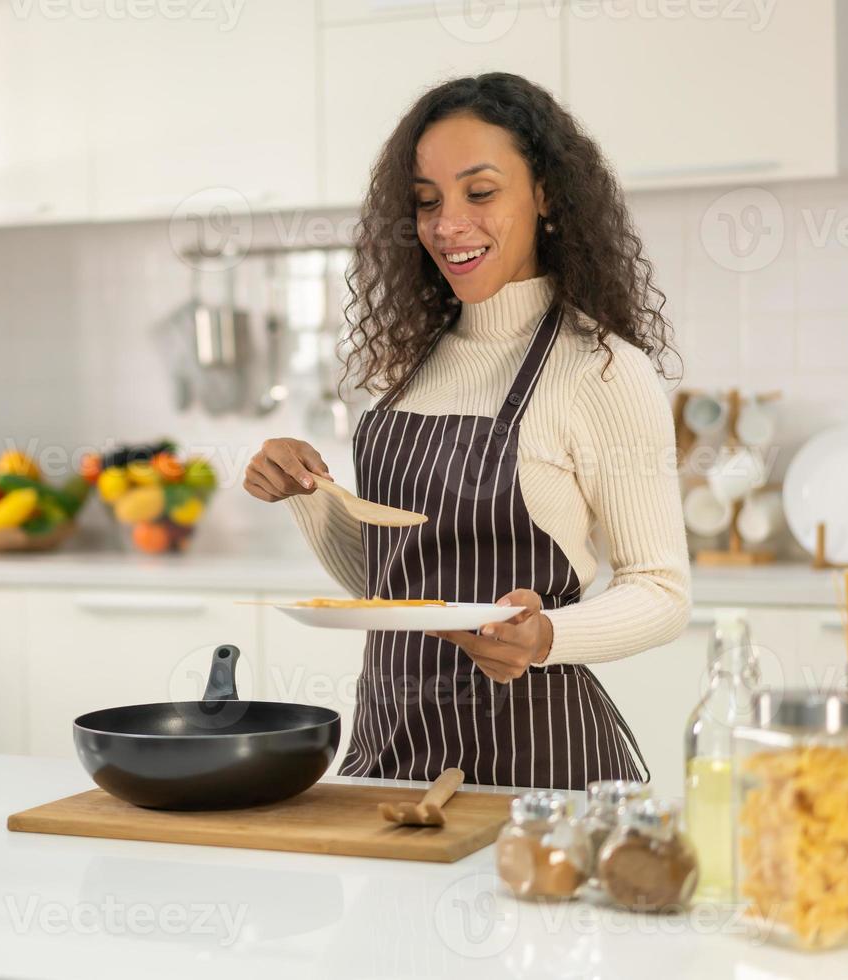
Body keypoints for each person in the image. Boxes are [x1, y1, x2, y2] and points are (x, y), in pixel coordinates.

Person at [244, 73, 690, 790]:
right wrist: (308, 494)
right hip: (388, 760)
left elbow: (662, 591)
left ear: (544, 193)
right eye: (426, 202)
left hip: (538, 776)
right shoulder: (402, 366)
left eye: (479, 193)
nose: (447, 225)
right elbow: (392, 580)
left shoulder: (599, 369)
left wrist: (546, 637)